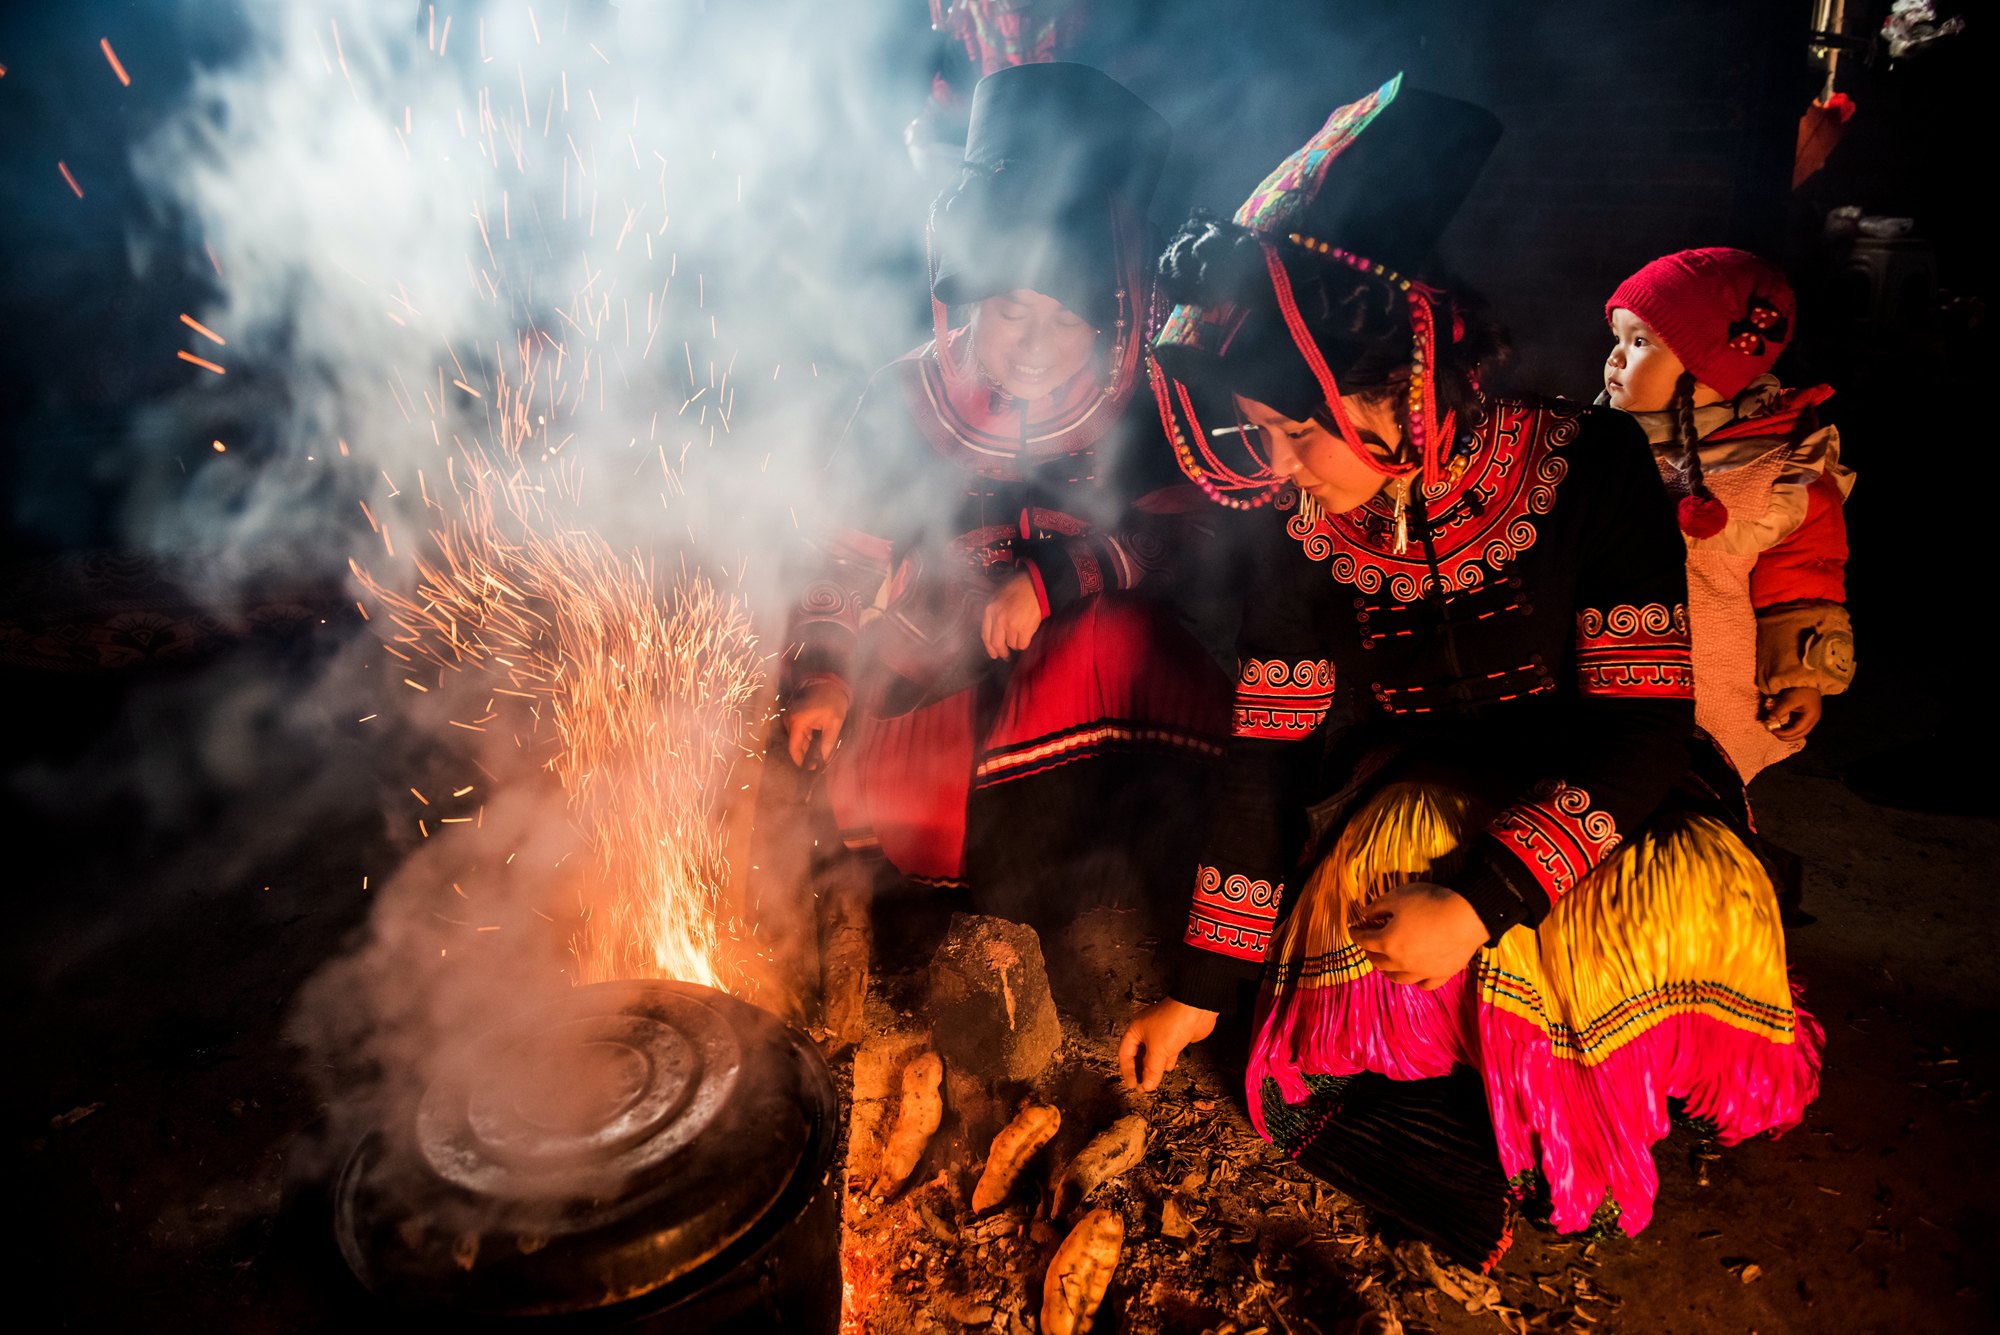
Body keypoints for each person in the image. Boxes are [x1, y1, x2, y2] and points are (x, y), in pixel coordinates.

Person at [1116, 75, 1822, 1267]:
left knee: (1650, 908)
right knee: (1358, 924)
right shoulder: (1296, 529)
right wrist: (1195, 985)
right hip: (1426, 781)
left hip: (1613, 795)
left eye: (1298, 430)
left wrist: (1480, 899)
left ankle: (1567, 1091)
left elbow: (1641, 735)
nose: (1280, 466)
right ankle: (1473, 1089)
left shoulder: (1587, 462)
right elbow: (1268, 756)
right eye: (1258, 435)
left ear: (1404, 384)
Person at [779, 62, 1230, 937]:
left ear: (1112, 320)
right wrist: (827, 670)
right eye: (1013, 311)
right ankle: (923, 902)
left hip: (1093, 690)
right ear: (971, 297)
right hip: (930, 666)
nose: (1034, 346)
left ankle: (1052, 911)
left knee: (1108, 640)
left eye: (1067, 323)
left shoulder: (1143, 400)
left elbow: (1186, 534)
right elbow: (844, 554)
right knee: (802, 722)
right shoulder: (905, 395)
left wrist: (1057, 580)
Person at [1601, 249, 1856, 785]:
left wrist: (1800, 674)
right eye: (1618, 339)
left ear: (1711, 369)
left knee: (1684, 809)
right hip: (1594, 673)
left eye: (1640, 342)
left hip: (1706, 686)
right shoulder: (1595, 442)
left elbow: (1803, 577)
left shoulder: (1782, 470)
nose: (1616, 359)